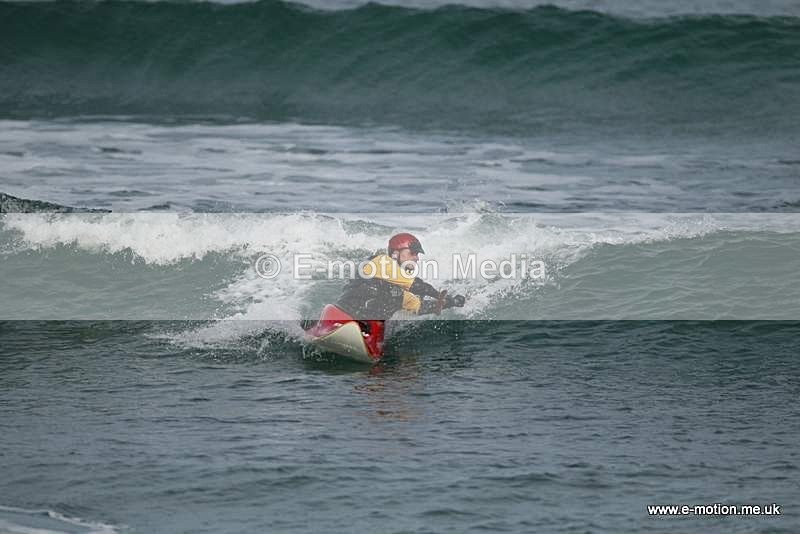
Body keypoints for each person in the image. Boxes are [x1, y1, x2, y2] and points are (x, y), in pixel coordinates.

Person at [335, 232, 465, 320]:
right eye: (413, 253)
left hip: (366, 329)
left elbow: (420, 307)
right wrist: (439, 294)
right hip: (344, 314)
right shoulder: (380, 262)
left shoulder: (399, 291)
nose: (416, 258)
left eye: (417, 255)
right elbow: (416, 284)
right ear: (396, 253)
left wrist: (450, 303)